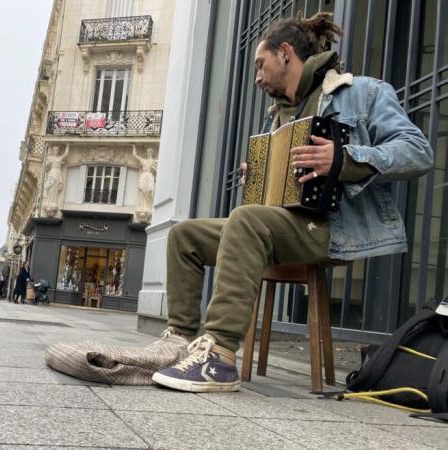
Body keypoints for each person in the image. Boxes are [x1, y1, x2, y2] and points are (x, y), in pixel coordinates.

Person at [150, 12, 433, 393]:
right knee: (185, 235)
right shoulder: (280, 115)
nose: (256, 77)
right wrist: (262, 175)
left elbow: (418, 152)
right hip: (284, 224)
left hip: (333, 226)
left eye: (260, 65)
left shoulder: (363, 92)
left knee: (247, 220)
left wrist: (345, 158)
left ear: (285, 53)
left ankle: (218, 357)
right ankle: (180, 343)